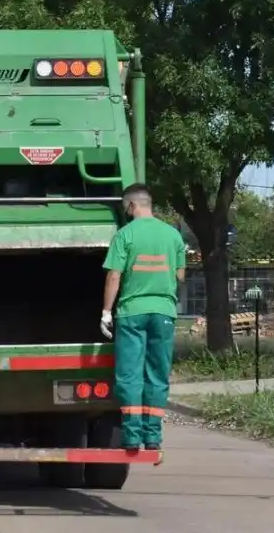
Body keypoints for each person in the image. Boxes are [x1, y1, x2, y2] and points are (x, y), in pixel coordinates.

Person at [99, 183, 185, 451]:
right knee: (157, 374)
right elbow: (180, 276)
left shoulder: (125, 235)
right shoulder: (173, 236)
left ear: (131, 205)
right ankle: (153, 436)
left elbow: (114, 275)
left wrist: (105, 312)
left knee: (130, 374)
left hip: (132, 313)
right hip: (163, 313)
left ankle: (132, 436)